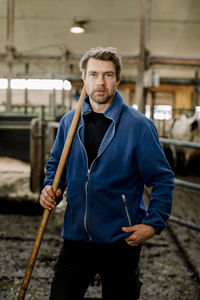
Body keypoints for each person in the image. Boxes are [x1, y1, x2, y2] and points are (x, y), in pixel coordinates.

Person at [39, 47, 174, 300]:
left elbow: (162, 178)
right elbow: (56, 164)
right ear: (84, 79)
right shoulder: (70, 121)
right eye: (93, 74)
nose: (100, 82)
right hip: (76, 235)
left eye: (108, 75)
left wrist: (153, 223)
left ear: (118, 80)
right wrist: (50, 189)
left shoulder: (139, 126)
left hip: (120, 238)